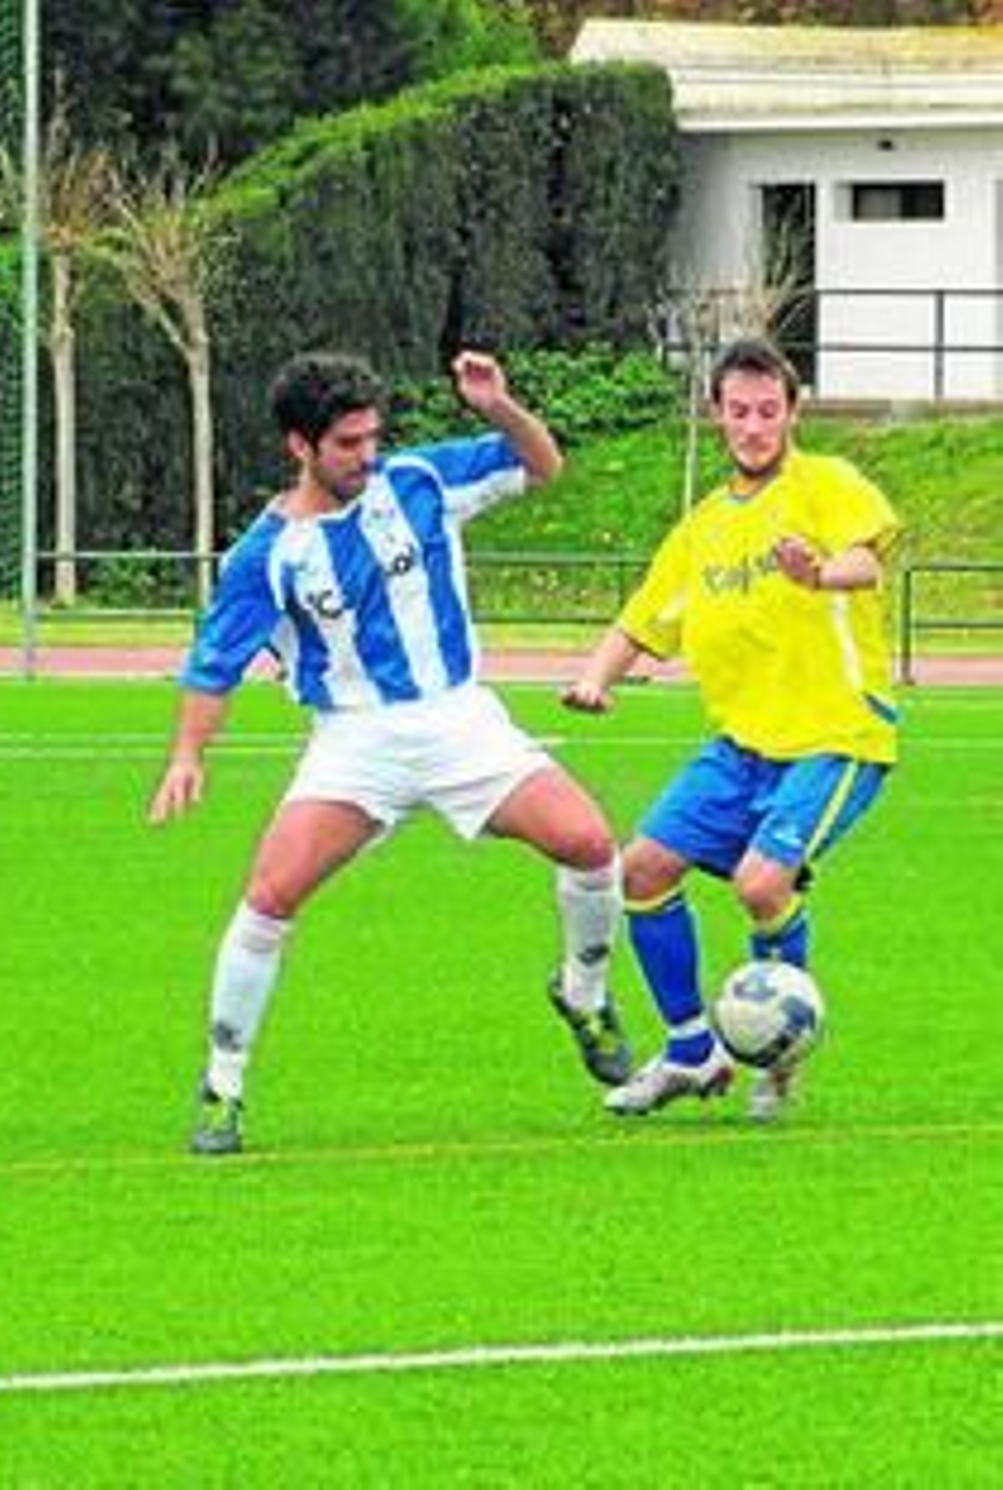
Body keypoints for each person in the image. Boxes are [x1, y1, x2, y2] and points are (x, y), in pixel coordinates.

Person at [148, 349, 630, 1157]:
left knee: (589, 844)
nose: (367, 455)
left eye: (372, 437)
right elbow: (214, 664)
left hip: (457, 720)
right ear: (299, 446)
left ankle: (583, 995)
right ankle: (222, 1088)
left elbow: (543, 465)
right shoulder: (267, 554)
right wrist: (188, 755)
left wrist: (500, 407)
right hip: (354, 741)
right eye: (346, 443)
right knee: (269, 897)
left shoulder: (418, 482)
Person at [563, 337, 899, 1121]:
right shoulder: (703, 529)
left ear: (792, 412)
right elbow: (642, 620)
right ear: (717, 415)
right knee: (640, 869)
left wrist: (817, 573)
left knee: (760, 884)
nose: (753, 426)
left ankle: (777, 1061)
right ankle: (690, 1052)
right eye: (739, 411)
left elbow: (867, 562)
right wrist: (594, 679)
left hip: (837, 734)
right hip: (741, 748)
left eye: (768, 411)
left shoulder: (826, 484)